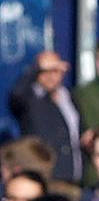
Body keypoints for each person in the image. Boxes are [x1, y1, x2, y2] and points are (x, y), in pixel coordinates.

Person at [8, 54, 81, 186]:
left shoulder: (68, 97)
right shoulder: (29, 99)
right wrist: (37, 68)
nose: (50, 76)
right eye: (45, 71)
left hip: (73, 177)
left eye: (55, 70)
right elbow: (16, 94)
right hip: (44, 177)